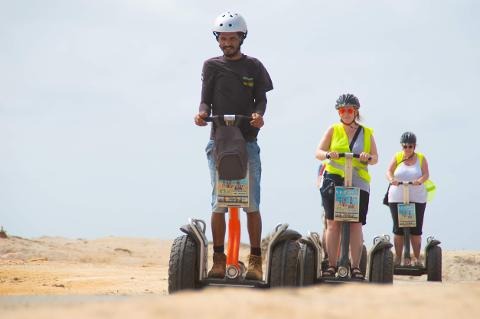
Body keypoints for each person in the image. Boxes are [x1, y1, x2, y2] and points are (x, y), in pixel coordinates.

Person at [194, 12, 273, 280]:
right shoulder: (211, 66)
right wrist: (201, 114)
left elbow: (261, 100)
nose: (227, 42)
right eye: (223, 38)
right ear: (217, 39)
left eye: (232, 38)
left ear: (241, 38)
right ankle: (218, 259)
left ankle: (255, 261)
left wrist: (259, 116)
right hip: (218, 142)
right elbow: (205, 101)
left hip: (247, 142)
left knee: (251, 203)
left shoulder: (254, 67)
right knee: (219, 203)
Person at [315, 94, 378, 279]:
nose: (347, 113)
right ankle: (332, 265)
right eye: (342, 110)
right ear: (339, 112)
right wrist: (328, 155)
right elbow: (318, 152)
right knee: (333, 223)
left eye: (350, 110)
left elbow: (376, 158)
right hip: (334, 177)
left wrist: (368, 157)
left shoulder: (367, 133)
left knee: (355, 224)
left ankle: (356, 266)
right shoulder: (333, 130)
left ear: (356, 111)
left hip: (358, 179)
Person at [386, 132, 430, 267]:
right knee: (398, 229)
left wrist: (419, 181)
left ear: (415, 146)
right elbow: (388, 171)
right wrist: (392, 180)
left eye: (410, 146)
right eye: (405, 146)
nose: (408, 149)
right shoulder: (397, 157)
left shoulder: (421, 158)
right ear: (402, 146)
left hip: (417, 197)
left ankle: (416, 259)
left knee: (416, 230)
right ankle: (398, 258)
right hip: (397, 197)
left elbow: (426, 174)